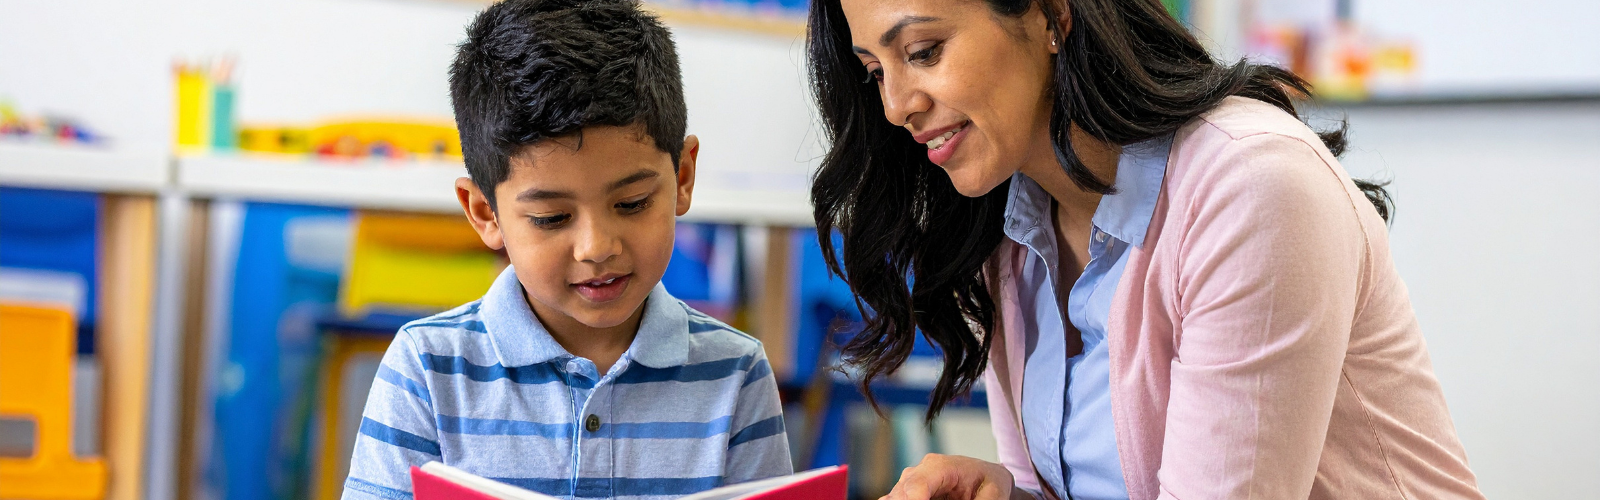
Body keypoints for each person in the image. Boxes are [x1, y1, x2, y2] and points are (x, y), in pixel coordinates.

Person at [804, 0, 1484, 498]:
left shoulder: (1250, 186)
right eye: (873, 71)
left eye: (922, 51)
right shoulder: (1008, 228)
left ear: (1050, 17)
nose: (895, 106)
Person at [342, 1, 791, 498]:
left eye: (633, 203)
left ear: (682, 177)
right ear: (485, 213)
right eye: (551, 218)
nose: (597, 247)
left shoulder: (736, 372)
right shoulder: (428, 368)